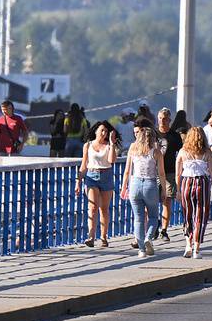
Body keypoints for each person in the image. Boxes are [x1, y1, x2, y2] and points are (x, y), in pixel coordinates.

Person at [122, 122, 165, 258]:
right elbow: (161, 173)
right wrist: (163, 189)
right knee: (153, 216)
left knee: (139, 219)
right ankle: (148, 238)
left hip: (134, 184)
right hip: (150, 185)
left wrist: (124, 187)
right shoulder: (156, 152)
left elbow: (127, 170)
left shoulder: (133, 148)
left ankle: (141, 249)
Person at [175, 128, 212, 259]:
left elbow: (178, 173)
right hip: (202, 183)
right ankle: (197, 248)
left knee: (187, 214)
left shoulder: (182, 152)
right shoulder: (207, 153)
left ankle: (188, 244)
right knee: (200, 215)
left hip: (186, 182)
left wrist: (178, 190)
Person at [78, 119, 117, 247]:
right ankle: (91, 236)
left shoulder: (108, 146)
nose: (104, 133)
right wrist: (78, 182)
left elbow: (111, 160)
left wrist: (112, 143)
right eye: (102, 130)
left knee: (104, 208)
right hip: (91, 175)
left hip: (106, 175)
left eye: (106, 131)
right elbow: (83, 165)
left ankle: (104, 236)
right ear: (95, 131)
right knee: (92, 207)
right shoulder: (88, 145)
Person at [157, 110, 183, 241]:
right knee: (151, 201)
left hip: (170, 172)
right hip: (154, 172)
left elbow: (182, 152)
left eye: (165, 119)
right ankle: (154, 224)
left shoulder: (174, 136)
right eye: (160, 118)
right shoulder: (153, 134)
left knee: (167, 201)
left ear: (169, 120)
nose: (162, 121)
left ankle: (164, 230)